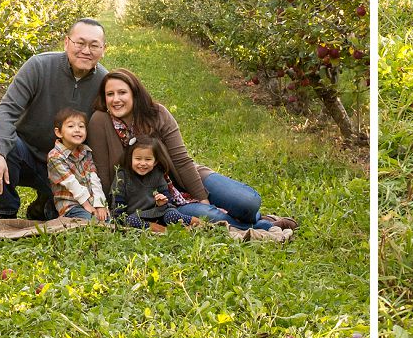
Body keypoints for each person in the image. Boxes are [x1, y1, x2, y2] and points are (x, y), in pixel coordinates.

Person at [86, 68, 295, 236]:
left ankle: (252, 216)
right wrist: (107, 207)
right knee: (207, 216)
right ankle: (264, 225)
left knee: (247, 202)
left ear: (134, 93)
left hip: (182, 179)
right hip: (163, 201)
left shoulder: (156, 114)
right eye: (110, 94)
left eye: (122, 92)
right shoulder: (100, 121)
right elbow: (103, 171)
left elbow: (181, 160)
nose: (116, 99)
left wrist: (202, 197)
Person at [0, 19, 108, 221]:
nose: (86, 50)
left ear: (103, 49)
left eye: (94, 45)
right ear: (66, 43)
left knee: (54, 216)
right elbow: (6, 111)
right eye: (80, 43)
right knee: (8, 146)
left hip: (69, 167)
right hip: (28, 156)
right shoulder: (39, 66)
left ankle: (45, 203)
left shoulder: (104, 82)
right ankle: (3, 212)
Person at [111, 136, 209, 231]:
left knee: (172, 215)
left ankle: (201, 224)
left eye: (148, 159)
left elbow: (167, 197)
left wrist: (163, 202)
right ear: (130, 158)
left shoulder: (157, 174)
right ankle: (164, 231)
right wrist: (119, 219)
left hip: (159, 211)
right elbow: (118, 202)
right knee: (130, 221)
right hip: (137, 215)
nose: (143, 163)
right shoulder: (122, 175)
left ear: (155, 161)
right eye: (138, 159)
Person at [46, 107, 108, 224]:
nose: (77, 130)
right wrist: (86, 205)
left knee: (108, 221)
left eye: (81, 126)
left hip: (90, 202)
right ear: (58, 132)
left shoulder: (86, 152)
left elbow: (94, 178)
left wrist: (100, 204)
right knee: (90, 223)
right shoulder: (55, 156)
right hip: (70, 206)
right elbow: (71, 182)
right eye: (71, 126)